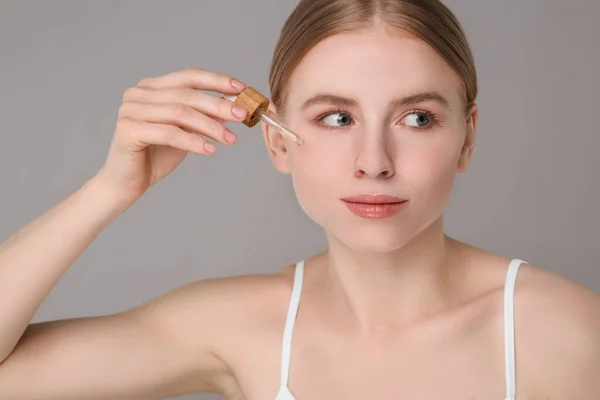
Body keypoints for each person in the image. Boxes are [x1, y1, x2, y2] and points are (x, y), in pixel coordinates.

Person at [0, 0, 599, 399]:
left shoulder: (566, 330)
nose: (374, 160)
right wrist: (109, 188)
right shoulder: (237, 326)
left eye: (417, 118)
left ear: (467, 138)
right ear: (278, 143)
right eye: (337, 117)